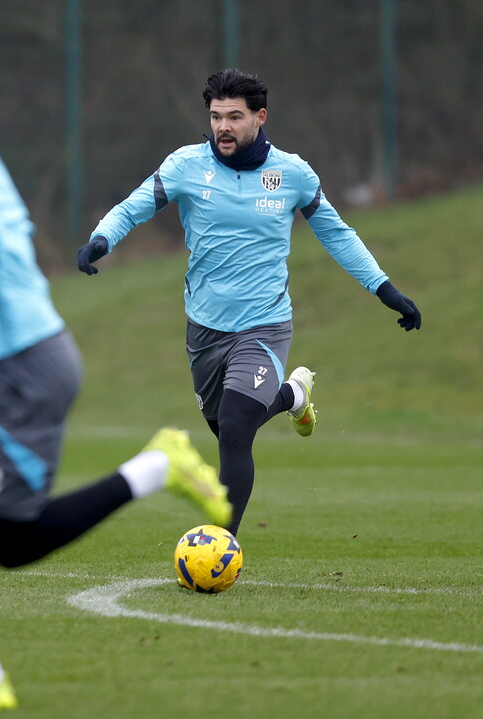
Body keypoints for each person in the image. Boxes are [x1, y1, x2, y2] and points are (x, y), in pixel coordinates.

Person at [0, 33, 231, 713]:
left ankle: (159, 465)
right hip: (20, 353)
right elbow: (3, 280)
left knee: (13, 540)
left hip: (18, 371)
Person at [77, 68, 421, 538]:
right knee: (226, 429)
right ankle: (295, 395)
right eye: (216, 116)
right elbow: (134, 205)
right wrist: (102, 239)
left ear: (260, 117)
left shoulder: (292, 174)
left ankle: (221, 542)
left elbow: (338, 235)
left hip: (265, 325)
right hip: (204, 328)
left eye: (234, 117)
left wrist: (385, 289)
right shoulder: (185, 166)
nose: (223, 126)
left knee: (237, 429)